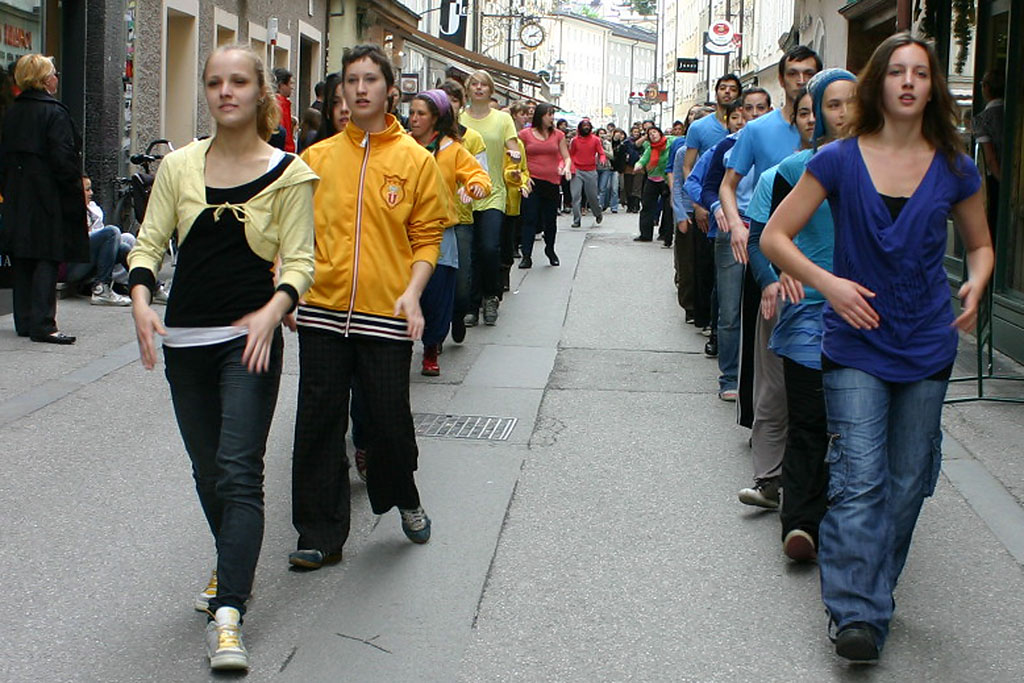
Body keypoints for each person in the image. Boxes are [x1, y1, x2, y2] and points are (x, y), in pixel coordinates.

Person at [761, 34, 993, 663]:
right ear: (878, 83)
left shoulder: (954, 166)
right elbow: (776, 237)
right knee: (860, 478)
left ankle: (872, 590)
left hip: (925, 342)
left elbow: (979, 243)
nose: (909, 81)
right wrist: (829, 285)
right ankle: (856, 612)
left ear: (933, 86)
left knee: (909, 480)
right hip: (855, 341)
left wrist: (976, 279)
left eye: (922, 72)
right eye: (897, 71)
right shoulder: (837, 159)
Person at [127, 44, 317, 671]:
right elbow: (150, 243)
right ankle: (233, 564)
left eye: (238, 82)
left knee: (239, 471)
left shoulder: (289, 173)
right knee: (209, 472)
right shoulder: (179, 168)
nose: (225, 92)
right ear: (206, 93)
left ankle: (229, 612)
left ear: (261, 92)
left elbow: (302, 258)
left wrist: (273, 307)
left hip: (250, 343)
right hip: (186, 345)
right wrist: (140, 298)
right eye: (214, 83)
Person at [291, 44, 450, 569]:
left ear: (389, 90)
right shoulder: (315, 160)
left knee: (386, 422)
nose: (360, 89)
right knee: (319, 422)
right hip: (321, 310)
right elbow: (293, 236)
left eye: (370, 80)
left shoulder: (414, 161)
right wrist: (285, 287)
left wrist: (413, 290)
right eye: (351, 81)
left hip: (387, 311)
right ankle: (319, 533)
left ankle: (404, 494)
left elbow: (427, 236)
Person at [753, 70, 855, 561]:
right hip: (809, 314)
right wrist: (778, 273)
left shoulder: (885, 167)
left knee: (856, 424)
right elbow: (770, 237)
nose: (840, 114)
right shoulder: (793, 171)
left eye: (849, 102)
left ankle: (847, 517)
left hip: (865, 315)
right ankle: (801, 525)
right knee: (810, 421)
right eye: (828, 105)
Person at [0, 54, 87, 344]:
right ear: (44, 79)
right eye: (53, 73)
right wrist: (74, 191)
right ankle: (43, 323)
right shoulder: (53, 112)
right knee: (47, 257)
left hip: (16, 195)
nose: (57, 77)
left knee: (23, 257)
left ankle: (24, 320)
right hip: (47, 197)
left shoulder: (12, 113)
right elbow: (63, 160)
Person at [406, 88, 490, 375]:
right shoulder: (403, 145)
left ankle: (432, 347)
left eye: (421, 114)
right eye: (412, 112)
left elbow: (478, 173)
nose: (414, 118)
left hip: (441, 231)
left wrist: (476, 185)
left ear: (437, 118)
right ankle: (401, 346)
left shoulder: (453, 149)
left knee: (440, 293)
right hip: (403, 232)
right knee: (405, 290)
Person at [458, 69, 520, 327]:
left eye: (484, 84)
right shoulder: (460, 118)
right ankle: (471, 304)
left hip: (493, 192)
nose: (479, 88)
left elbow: (514, 148)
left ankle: (491, 296)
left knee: (489, 247)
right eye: (474, 84)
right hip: (463, 195)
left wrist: (515, 159)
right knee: (469, 252)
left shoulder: (502, 120)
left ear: (491, 89)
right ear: (468, 89)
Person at [519, 102, 571, 268]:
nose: (552, 118)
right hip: (532, 181)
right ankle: (526, 255)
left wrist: (565, 167)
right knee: (530, 218)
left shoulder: (558, 135)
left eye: (553, 114)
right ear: (540, 116)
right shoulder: (525, 134)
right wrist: (522, 176)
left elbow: (566, 156)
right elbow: (518, 158)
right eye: (549, 114)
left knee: (550, 220)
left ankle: (550, 249)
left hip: (552, 182)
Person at [66, 175, 132, 305]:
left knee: (123, 247)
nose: (91, 193)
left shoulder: (92, 210)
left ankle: (149, 285)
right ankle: (101, 288)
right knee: (111, 232)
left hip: (85, 262)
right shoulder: (69, 211)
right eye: (87, 190)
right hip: (69, 268)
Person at [973, 69, 1004, 246]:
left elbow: (990, 160)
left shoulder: (983, 120)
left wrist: (1002, 183)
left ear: (986, 88)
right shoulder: (1011, 114)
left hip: (994, 184)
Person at [503, 101, 532, 287]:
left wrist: (523, 181)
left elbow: (523, 169)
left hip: (512, 199)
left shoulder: (519, 144)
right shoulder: (494, 142)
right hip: (493, 198)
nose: (525, 117)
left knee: (507, 242)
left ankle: (504, 277)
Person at [633, 125, 676, 245]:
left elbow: (683, 141)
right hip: (652, 179)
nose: (653, 135)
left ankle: (665, 234)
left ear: (660, 133)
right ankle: (645, 234)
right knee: (646, 206)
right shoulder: (650, 148)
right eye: (650, 134)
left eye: (654, 132)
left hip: (666, 180)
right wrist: (638, 166)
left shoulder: (670, 141)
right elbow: (643, 160)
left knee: (668, 209)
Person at [568, 119, 605, 228]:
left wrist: (602, 160)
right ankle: (576, 220)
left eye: (588, 125)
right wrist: (571, 167)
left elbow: (601, 153)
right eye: (584, 125)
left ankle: (597, 213)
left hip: (591, 170)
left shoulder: (596, 140)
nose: (586, 127)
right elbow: (570, 154)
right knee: (575, 196)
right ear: (580, 127)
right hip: (577, 170)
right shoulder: (574, 140)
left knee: (592, 196)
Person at [271, 68, 295, 153]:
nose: (292, 87)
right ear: (281, 85)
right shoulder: (281, 104)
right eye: (290, 83)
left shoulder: (278, 102)